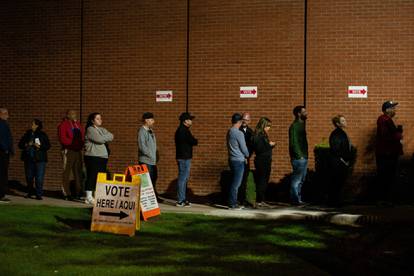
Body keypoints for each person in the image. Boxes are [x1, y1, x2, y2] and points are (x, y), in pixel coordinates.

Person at [375, 101, 403, 203]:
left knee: (387, 177)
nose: (395, 110)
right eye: (393, 108)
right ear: (387, 110)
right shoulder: (384, 119)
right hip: (386, 154)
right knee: (386, 177)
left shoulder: (386, 120)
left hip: (387, 153)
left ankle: (385, 200)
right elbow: (386, 136)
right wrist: (398, 134)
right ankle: (384, 200)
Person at [84, 113, 113, 204]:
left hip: (102, 157)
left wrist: (103, 137)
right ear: (92, 120)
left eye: (100, 118)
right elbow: (99, 140)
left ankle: (96, 195)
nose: (100, 120)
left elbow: (111, 136)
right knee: (91, 176)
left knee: (99, 177)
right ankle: (88, 197)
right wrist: (105, 137)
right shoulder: (90, 129)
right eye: (97, 119)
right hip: (93, 156)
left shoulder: (101, 129)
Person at [18, 119, 51, 200]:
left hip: (40, 160)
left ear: (37, 125)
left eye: (33, 124)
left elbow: (48, 145)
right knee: (29, 177)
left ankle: (38, 194)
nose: (31, 125)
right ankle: (29, 193)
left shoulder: (42, 134)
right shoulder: (27, 134)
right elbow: (20, 144)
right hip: (29, 159)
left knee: (39, 178)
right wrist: (26, 144)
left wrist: (40, 146)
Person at [58, 110, 85, 200]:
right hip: (68, 150)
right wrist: (73, 145)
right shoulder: (63, 125)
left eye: (75, 113)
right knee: (66, 172)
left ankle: (79, 192)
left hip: (78, 151)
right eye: (73, 114)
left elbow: (82, 137)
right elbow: (63, 139)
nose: (75, 115)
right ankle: (66, 193)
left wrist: (79, 145)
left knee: (78, 172)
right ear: (68, 115)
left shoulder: (78, 125)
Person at [328, 115, 354, 206]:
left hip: (341, 161)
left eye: (345, 120)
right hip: (338, 162)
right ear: (338, 124)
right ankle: (334, 202)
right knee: (336, 182)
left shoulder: (341, 133)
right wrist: (344, 159)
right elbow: (336, 149)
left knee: (339, 182)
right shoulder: (336, 134)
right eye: (343, 121)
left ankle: (337, 201)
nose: (345, 122)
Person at [227, 113, 249, 210]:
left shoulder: (229, 131)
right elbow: (243, 148)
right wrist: (247, 155)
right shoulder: (239, 133)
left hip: (231, 159)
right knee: (236, 184)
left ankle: (232, 202)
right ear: (239, 122)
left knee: (233, 182)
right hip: (239, 160)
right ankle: (232, 204)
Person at [175, 112, 198, 207]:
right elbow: (193, 141)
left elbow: (192, 141)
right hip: (184, 158)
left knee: (184, 179)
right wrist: (194, 140)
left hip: (184, 157)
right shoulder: (183, 130)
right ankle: (180, 200)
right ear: (185, 121)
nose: (191, 121)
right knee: (182, 179)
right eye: (190, 119)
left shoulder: (183, 130)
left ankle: (183, 199)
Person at [252, 117, 275, 208]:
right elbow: (259, 149)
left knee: (264, 181)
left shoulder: (263, 135)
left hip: (266, 160)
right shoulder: (258, 135)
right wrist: (270, 145)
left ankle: (261, 200)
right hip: (261, 160)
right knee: (261, 181)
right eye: (268, 126)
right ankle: (258, 201)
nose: (269, 128)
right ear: (263, 125)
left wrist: (270, 145)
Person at [138, 112, 160, 201]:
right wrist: (150, 154)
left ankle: (153, 197)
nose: (153, 121)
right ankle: (147, 199)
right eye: (151, 120)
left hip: (152, 161)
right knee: (146, 181)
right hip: (145, 160)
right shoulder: (141, 131)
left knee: (154, 178)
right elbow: (142, 146)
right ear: (146, 120)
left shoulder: (150, 131)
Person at [289, 105, 308, 205]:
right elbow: (293, 142)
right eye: (304, 112)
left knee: (302, 179)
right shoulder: (294, 126)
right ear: (298, 114)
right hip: (298, 158)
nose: (306, 113)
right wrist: (299, 155)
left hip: (304, 157)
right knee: (296, 180)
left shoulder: (301, 125)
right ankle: (295, 200)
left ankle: (298, 200)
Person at [238, 112, 254, 206]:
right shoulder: (237, 130)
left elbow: (251, 146)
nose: (245, 121)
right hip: (239, 158)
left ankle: (242, 199)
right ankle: (238, 199)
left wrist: (247, 156)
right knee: (238, 180)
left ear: (249, 121)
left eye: (247, 120)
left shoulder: (251, 132)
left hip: (247, 158)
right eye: (243, 119)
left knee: (244, 179)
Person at [0, 108, 14, 202]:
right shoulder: (1, 124)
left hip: (4, 152)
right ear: (1, 114)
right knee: (2, 174)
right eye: (6, 114)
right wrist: (6, 149)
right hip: (2, 153)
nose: (8, 116)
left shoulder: (4, 124)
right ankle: (1, 195)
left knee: (3, 173)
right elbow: (2, 139)